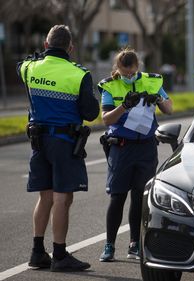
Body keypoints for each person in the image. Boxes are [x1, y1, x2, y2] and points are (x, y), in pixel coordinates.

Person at [18, 25, 99, 271]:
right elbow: (91, 113)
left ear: (45, 45)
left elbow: (20, 66)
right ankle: (60, 255)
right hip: (64, 143)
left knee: (45, 196)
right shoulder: (78, 74)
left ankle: (37, 252)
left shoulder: (29, 68)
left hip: (38, 141)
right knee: (62, 197)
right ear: (70, 48)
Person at [97, 47, 173, 262]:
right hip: (121, 148)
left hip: (146, 147)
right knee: (118, 196)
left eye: (131, 73)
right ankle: (109, 245)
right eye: (124, 73)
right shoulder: (110, 85)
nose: (128, 77)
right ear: (117, 69)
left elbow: (169, 108)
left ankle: (134, 244)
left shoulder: (152, 81)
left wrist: (157, 98)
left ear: (138, 67)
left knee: (140, 197)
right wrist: (124, 106)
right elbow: (106, 119)